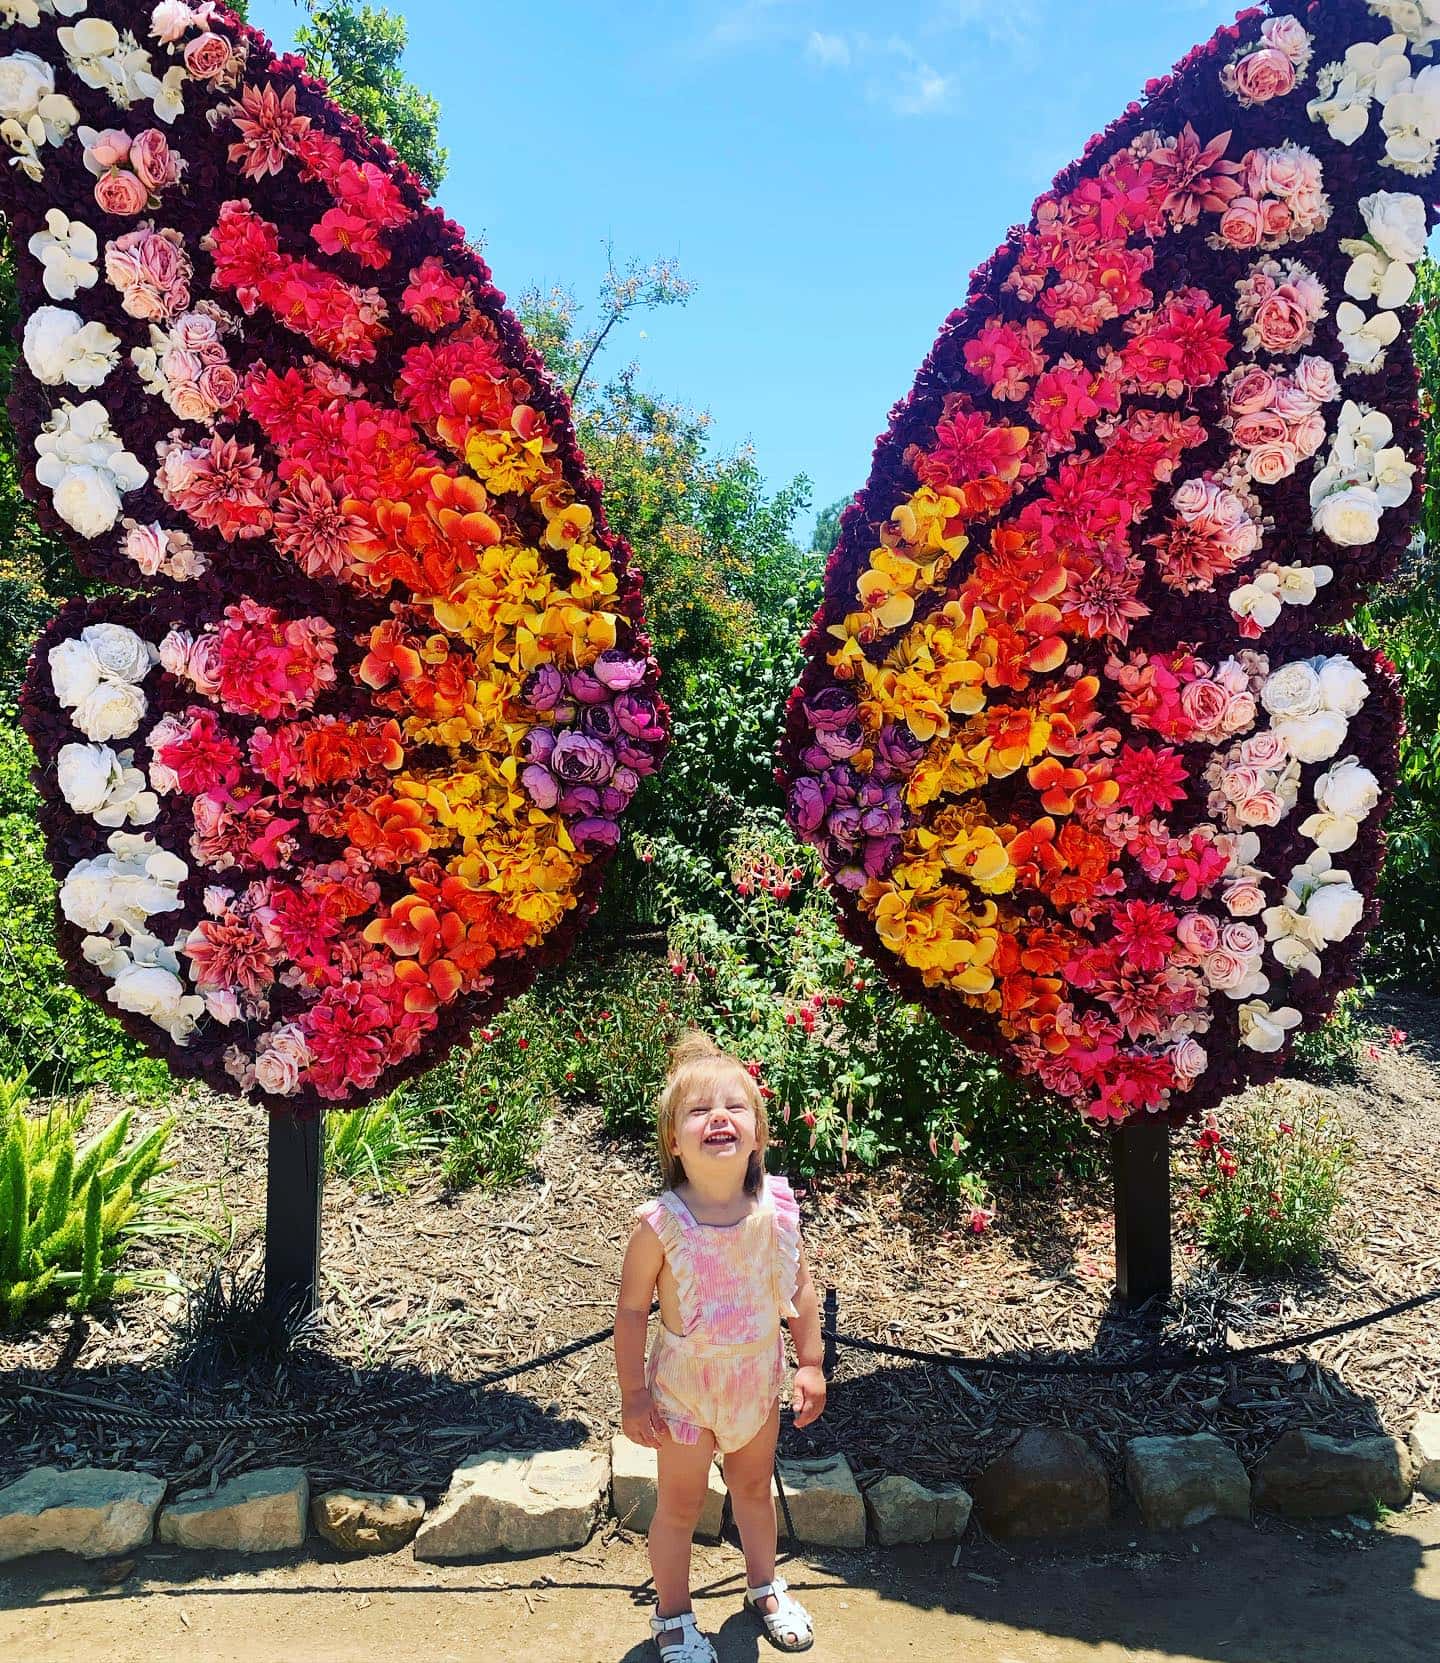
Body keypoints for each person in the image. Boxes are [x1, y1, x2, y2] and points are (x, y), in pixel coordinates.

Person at [615, 1032, 827, 1660]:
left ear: (758, 1134)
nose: (719, 1118)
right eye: (698, 1110)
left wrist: (810, 1362)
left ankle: (763, 1585)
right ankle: (674, 1616)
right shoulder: (660, 1225)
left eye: (735, 1107)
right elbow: (630, 1313)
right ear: (673, 1143)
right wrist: (633, 1394)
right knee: (679, 1507)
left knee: (753, 1490)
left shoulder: (776, 1211)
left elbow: (799, 1286)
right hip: (684, 1392)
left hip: (755, 1381)